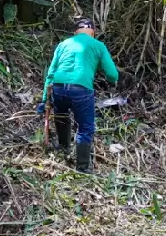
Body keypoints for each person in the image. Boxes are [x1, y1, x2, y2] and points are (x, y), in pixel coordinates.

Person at [40, 18, 120, 173]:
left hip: (58, 87)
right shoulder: (98, 45)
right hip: (81, 89)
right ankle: (82, 167)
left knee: (62, 116)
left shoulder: (63, 44)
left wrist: (44, 99)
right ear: (93, 32)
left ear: (75, 32)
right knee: (85, 128)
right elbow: (112, 74)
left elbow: (50, 73)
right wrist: (113, 80)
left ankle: (64, 148)